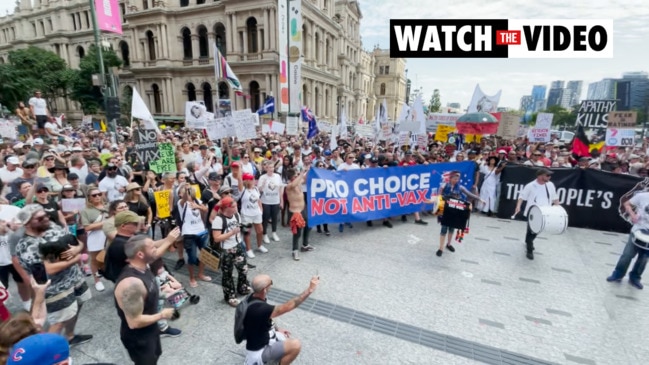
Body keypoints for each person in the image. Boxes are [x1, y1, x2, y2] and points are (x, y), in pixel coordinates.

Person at [113, 235, 178, 365]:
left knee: (156, 355)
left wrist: (164, 294)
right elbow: (134, 322)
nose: (156, 249)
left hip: (151, 329)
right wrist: (162, 315)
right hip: (139, 338)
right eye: (152, 247)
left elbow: (148, 293)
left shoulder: (144, 266)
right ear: (140, 254)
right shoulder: (131, 284)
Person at [243, 274, 320, 365]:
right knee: (295, 345)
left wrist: (277, 329)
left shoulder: (254, 298)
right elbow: (287, 307)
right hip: (258, 352)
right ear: (264, 290)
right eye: (270, 283)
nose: (271, 285)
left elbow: (267, 317)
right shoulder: (259, 308)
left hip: (260, 339)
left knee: (283, 337)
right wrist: (309, 290)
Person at [425, 171, 483, 257]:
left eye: (457, 179)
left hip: (455, 210)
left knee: (452, 228)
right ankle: (441, 248)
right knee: (444, 228)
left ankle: (448, 244)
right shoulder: (444, 186)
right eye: (454, 178)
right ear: (450, 178)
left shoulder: (460, 187)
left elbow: (470, 194)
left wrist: (479, 199)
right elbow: (439, 196)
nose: (456, 180)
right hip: (445, 210)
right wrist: (432, 200)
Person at [212, 196, 251, 307]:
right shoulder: (218, 220)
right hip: (226, 250)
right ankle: (230, 296)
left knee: (244, 269)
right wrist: (232, 233)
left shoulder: (236, 215)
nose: (236, 207)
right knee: (227, 274)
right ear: (226, 208)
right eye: (233, 206)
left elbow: (239, 228)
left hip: (238, 246)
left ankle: (242, 287)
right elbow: (216, 238)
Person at [513, 168, 560, 260]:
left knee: (537, 230)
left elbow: (555, 197)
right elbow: (522, 197)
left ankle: (528, 241)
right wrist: (518, 207)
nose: (549, 177)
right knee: (532, 230)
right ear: (540, 176)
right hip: (533, 211)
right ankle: (530, 249)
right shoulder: (531, 185)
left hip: (545, 212)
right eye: (547, 175)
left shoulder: (550, 185)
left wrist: (557, 208)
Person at [606, 191, 649, 289]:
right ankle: (618, 274)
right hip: (638, 230)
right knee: (627, 255)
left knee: (644, 258)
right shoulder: (642, 196)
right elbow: (627, 203)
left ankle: (635, 277)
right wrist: (632, 214)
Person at [285, 168, 314, 261]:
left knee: (309, 226)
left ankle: (305, 245)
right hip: (295, 212)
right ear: (292, 177)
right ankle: (295, 250)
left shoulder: (298, 184)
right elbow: (294, 184)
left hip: (303, 209)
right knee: (297, 232)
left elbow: (304, 179)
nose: (298, 175)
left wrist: (309, 170)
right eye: (296, 175)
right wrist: (301, 173)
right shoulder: (289, 186)